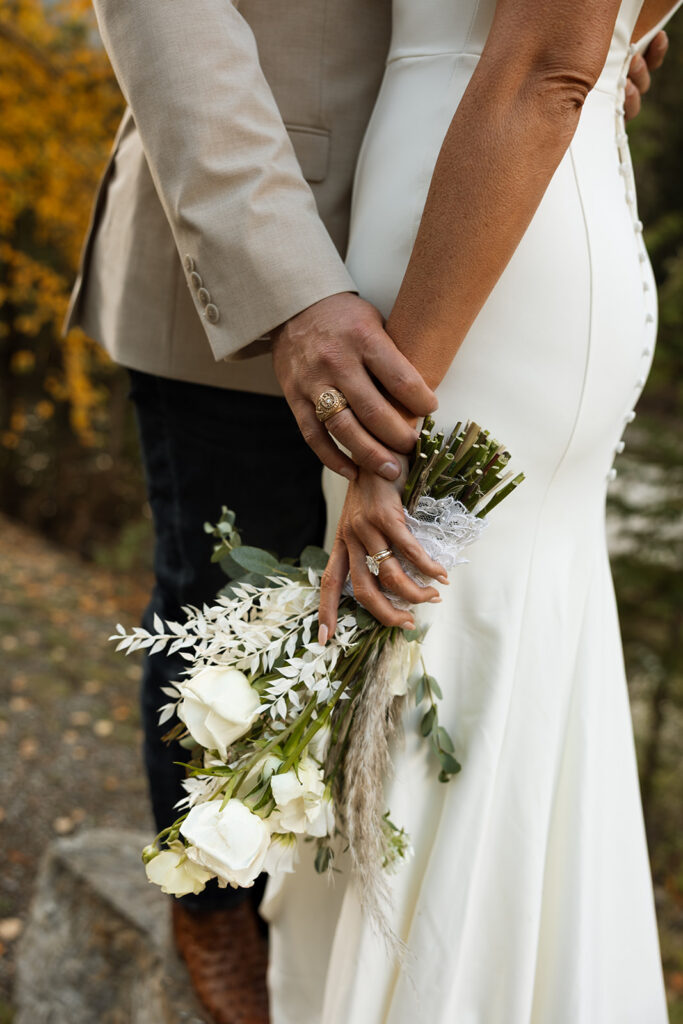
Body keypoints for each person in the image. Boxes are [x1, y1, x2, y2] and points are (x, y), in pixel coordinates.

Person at [64, 0, 670, 1021]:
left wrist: (593, 45)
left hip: (483, 238)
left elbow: (549, 62)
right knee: (223, 619)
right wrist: (284, 287)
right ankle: (219, 897)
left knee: (463, 642)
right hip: (249, 222)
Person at [264, 1, 681, 1022]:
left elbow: (543, 68)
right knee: (455, 677)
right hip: (481, 217)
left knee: (443, 663)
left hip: (477, 267)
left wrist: (389, 438)